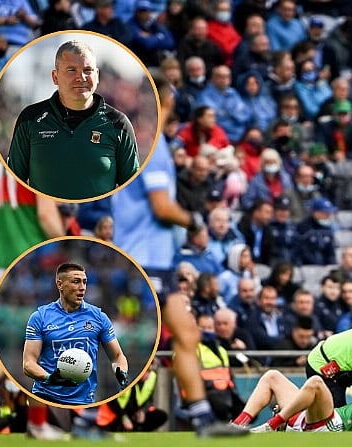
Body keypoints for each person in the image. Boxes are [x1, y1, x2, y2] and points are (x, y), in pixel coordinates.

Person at [111, 77, 248, 437]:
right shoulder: (150, 145)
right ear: (163, 101)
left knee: (187, 335)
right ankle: (83, 417)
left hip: (156, 261)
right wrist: (193, 219)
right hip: (143, 262)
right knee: (124, 344)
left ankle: (203, 421)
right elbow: (161, 207)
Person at [0, 131, 67, 439]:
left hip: (1, 263)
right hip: (34, 263)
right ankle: (36, 422)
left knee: (17, 343)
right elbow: (46, 214)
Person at [6, 40, 139, 200]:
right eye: (71, 70)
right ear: (55, 77)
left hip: (98, 223)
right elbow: (13, 186)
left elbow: (133, 192)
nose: (81, 77)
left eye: (87, 70)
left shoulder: (118, 123)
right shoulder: (30, 119)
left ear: (97, 76)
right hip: (43, 223)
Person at [22, 263, 129, 405]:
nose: (82, 287)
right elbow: (28, 363)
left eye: (85, 282)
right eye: (76, 282)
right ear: (60, 284)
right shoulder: (40, 317)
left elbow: (117, 356)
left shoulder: (98, 317)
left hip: (84, 401)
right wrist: (48, 378)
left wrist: (122, 372)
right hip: (45, 396)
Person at [231, 370, 352, 432]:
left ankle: (273, 424)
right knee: (272, 377)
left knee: (316, 383)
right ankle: (238, 426)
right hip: (309, 419)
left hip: (330, 424)